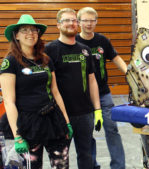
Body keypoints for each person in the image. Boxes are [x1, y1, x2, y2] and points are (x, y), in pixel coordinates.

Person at [0, 14, 73, 169]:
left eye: (33, 30)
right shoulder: (10, 62)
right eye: (25, 30)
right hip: (28, 123)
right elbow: (8, 101)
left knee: (62, 165)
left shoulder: (45, 59)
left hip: (53, 119)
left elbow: (55, 92)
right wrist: (17, 135)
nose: (30, 33)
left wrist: (66, 121)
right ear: (17, 36)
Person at [44, 8, 102, 169]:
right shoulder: (49, 50)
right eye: (66, 20)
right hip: (61, 116)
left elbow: (92, 81)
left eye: (74, 20)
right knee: (61, 161)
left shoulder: (84, 50)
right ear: (58, 25)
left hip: (85, 114)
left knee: (86, 156)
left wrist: (97, 110)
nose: (71, 23)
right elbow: (48, 85)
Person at [75, 7, 127, 169]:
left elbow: (116, 58)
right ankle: (92, 165)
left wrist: (130, 75)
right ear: (79, 22)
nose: (89, 24)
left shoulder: (103, 41)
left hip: (104, 94)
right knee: (86, 134)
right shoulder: (73, 42)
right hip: (82, 98)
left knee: (112, 130)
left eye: (92, 20)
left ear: (96, 22)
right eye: (85, 20)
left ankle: (118, 166)